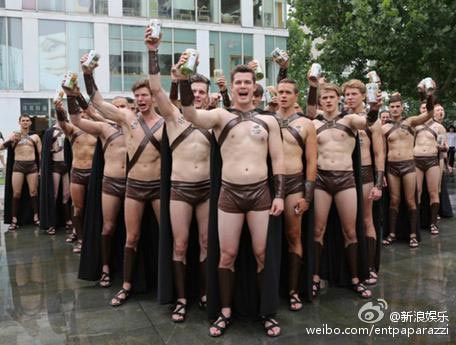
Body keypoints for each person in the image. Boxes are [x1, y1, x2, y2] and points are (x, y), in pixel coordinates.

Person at [177, 63, 285, 337]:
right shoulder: (219, 116)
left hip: (261, 193)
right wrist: (182, 81)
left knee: (262, 254)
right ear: (233, 86)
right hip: (229, 194)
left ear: (254, 86)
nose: (243, 87)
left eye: (248, 82)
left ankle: (266, 312)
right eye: (239, 82)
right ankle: (224, 311)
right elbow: (189, 114)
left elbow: (278, 159)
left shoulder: (269, 120)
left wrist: (280, 194)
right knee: (227, 255)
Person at [84, 60, 163, 307]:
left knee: (167, 236)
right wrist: (88, 75)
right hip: (135, 187)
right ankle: (127, 285)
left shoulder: (166, 120)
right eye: (137, 95)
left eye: (145, 95)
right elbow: (97, 103)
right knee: (132, 237)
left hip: (159, 187)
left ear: (153, 97)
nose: (141, 99)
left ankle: (167, 285)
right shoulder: (127, 117)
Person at [145, 31, 211, 322]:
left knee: (208, 243)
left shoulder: (216, 119)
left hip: (208, 190)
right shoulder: (172, 116)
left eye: (201, 92)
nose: (196, 95)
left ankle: (208, 293)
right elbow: (157, 89)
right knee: (180, 244)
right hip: (180, 190)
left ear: (207, 96)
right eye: (193, 90)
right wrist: (153, 52)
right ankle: (182, 298)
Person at [312, 83, 378, 299]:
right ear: (320, 100)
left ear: (338, 98)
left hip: (345, 179)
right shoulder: (313, 123)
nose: (328, 100)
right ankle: (314, 276)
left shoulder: (349, 119)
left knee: (350, 231)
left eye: (332, 97)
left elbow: (366, 121)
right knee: (317, 231)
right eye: (324, 97)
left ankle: (355, 278)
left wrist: (374, 109)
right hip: (322, 180)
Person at [275, 78, 317, 310]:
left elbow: (312, 161)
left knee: (294, 236)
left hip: (294, 183)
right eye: (280, 91)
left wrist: (307, 196)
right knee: (266, 240)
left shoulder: (306, 124)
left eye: (288, 92)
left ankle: (293, 290)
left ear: (295, 96)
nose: (283, 96)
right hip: (269, 185)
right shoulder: (267, 120)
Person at [342, 79, 384, 285]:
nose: (349, 97)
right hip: (345, 175)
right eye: (347, 94)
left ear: (363, 95)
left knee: (367, 219)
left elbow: (379, 153)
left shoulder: (373, 122)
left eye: (353, 94)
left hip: (366, 174)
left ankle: (370, 266)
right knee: (347, 224)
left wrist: (378, 184)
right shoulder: (342, 118)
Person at [382, 90, 434, 248]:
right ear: (389, 108)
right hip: (391, 167)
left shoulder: (411, 121)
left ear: (402, 107)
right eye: (392, 106)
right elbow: (382, 153)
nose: (395, 109)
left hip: (408, 165)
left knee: (411, 201)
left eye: (397, 106)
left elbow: (430, 114)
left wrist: (429, 96)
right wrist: (381, 174)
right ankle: (391, 233)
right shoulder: (384, 128)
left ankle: (412, 234)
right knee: (394, 201)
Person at [54, 100, 97, 253]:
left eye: (86, 113)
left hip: (94, 172)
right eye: (81, 114)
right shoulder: (73, 130)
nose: (84, 116)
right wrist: (59, 110)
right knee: (77, 208)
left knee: (96, 207)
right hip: (77, 172)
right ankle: (80, 238)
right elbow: (63, 123)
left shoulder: (98, 131)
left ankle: (93, 237)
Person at [1, 114, 41, 230]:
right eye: (23, 120)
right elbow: (1, 147)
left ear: (30, 123)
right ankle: (14, 219)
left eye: (27, 120)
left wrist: (42, 169)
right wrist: (10, 140)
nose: (25, 122)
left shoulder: (35, 137)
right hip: (18, 166)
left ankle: (36, 217)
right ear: (19, 122)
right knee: (16, 193)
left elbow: (41, 154)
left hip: (32, 166)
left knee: (33, 192)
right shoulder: (14, 135)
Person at [413, 101, 447, 235]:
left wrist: (442, 147)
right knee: (417, 192)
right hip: (416, 160)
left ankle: (433, 223)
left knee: (434, 193)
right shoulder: (415, 125)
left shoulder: (439, 127)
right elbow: (411, 143)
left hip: (432, 160)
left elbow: (445, 146)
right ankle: (416, 223)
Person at [39, 117, 72, 235]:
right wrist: (54, 149)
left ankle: (67, 220)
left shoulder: (69, 129)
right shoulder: (50, 132)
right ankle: (51, 223)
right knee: (53, 194)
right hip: (55, 166)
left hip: (67, 166)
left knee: (66, 195)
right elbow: (45, 152)